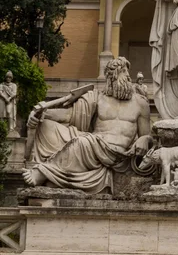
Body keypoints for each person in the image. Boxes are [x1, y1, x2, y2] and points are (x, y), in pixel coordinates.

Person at [22, 57, 152, 194]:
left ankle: (41, 173)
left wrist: (145, 139)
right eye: (123, 72)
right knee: (47, 126)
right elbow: (68, 115)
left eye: (127, 72)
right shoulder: (97, 98)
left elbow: (147, 138)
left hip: (118, 154)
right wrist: (43, 114)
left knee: (81, 143)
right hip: (95, 144)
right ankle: (53, 174)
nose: (127, 76)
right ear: (111, 77)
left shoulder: (140, 103)